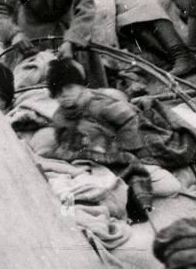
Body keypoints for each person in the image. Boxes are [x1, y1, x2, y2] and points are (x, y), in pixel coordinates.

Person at [46, 57, 154, 218]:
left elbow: (129, 119)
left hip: (108, 154)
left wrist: (130, 150)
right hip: (78, 158)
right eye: (58, 91)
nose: (64, 95)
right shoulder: (59, 116)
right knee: (63, 183)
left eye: (69, 87)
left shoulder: (99, 104)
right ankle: (68, 216)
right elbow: (60, 139)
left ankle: (128, 207)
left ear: (81, 86)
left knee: (111, 183)